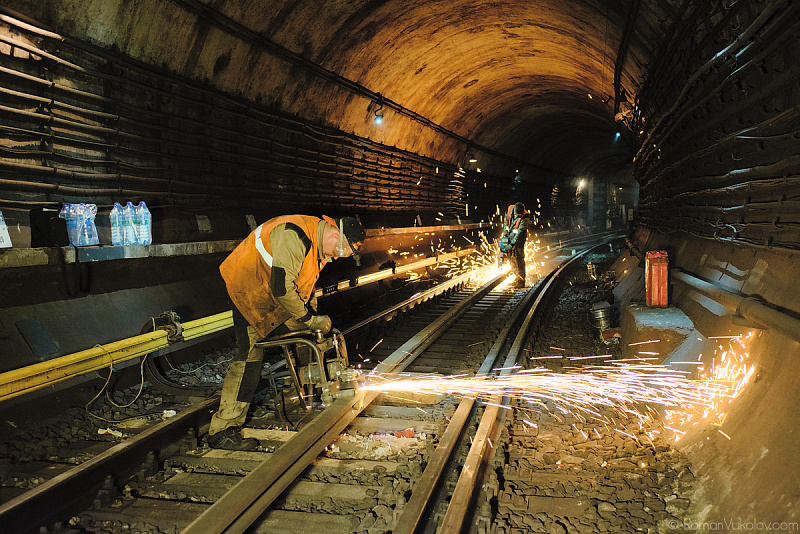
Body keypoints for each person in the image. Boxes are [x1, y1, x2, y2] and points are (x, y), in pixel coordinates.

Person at [207, 214, 366, 450]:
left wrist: (315, 322)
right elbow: (282, 289)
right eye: (340, 252)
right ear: (335, 235)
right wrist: (310, 320)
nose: (336, 257)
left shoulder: (319, 245)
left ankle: (304, 396)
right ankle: (223, 430)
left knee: (319, 337)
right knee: (250, 358)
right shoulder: (294, 235)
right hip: (250, 291)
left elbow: (302, 285)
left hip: (276, 298)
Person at [499, 202, 530, 288]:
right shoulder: (510, 209)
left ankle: (521, 281)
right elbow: (506, 223)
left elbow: (520, 233)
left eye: (520, 214)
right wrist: (506, 236)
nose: (519, 216)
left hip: (519, 240)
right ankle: (516, 279)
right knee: (511, 258)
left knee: (519, 259)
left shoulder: (525, 216)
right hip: (509, 237)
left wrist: (512, 243)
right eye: (518, 214)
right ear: (514, 211)